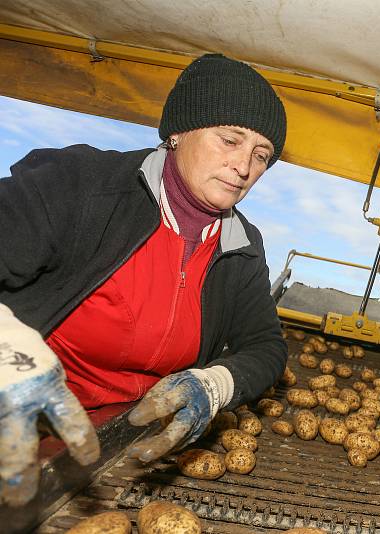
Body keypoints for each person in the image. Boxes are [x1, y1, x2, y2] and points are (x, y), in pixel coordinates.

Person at [0, 53, 288, 506]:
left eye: (261, 155)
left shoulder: (241, 246)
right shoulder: (81, 186)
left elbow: (265, 345)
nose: (244, 166)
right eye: (230, 139)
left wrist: (216, 385)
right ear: (178, 132)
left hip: (127, 440)